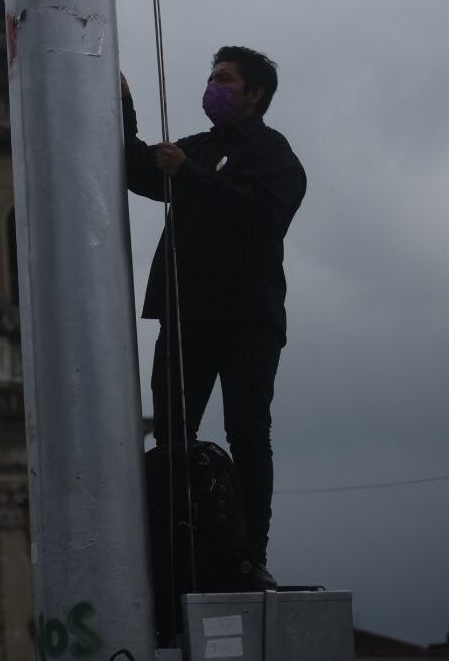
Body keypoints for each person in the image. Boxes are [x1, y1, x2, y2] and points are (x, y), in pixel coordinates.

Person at [123, 46, 306, 587]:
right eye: (211, 77)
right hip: (186, 314)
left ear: (256, 94)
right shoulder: (198, 147)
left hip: (247, 318)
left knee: (248, 434)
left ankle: (251, 553)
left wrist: (194, 176)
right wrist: (123, 104)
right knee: (173, 437)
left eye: (225, 79)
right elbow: (139, 172)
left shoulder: (275, 155)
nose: (213, 86)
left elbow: (262, 214)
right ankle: (177, 549)